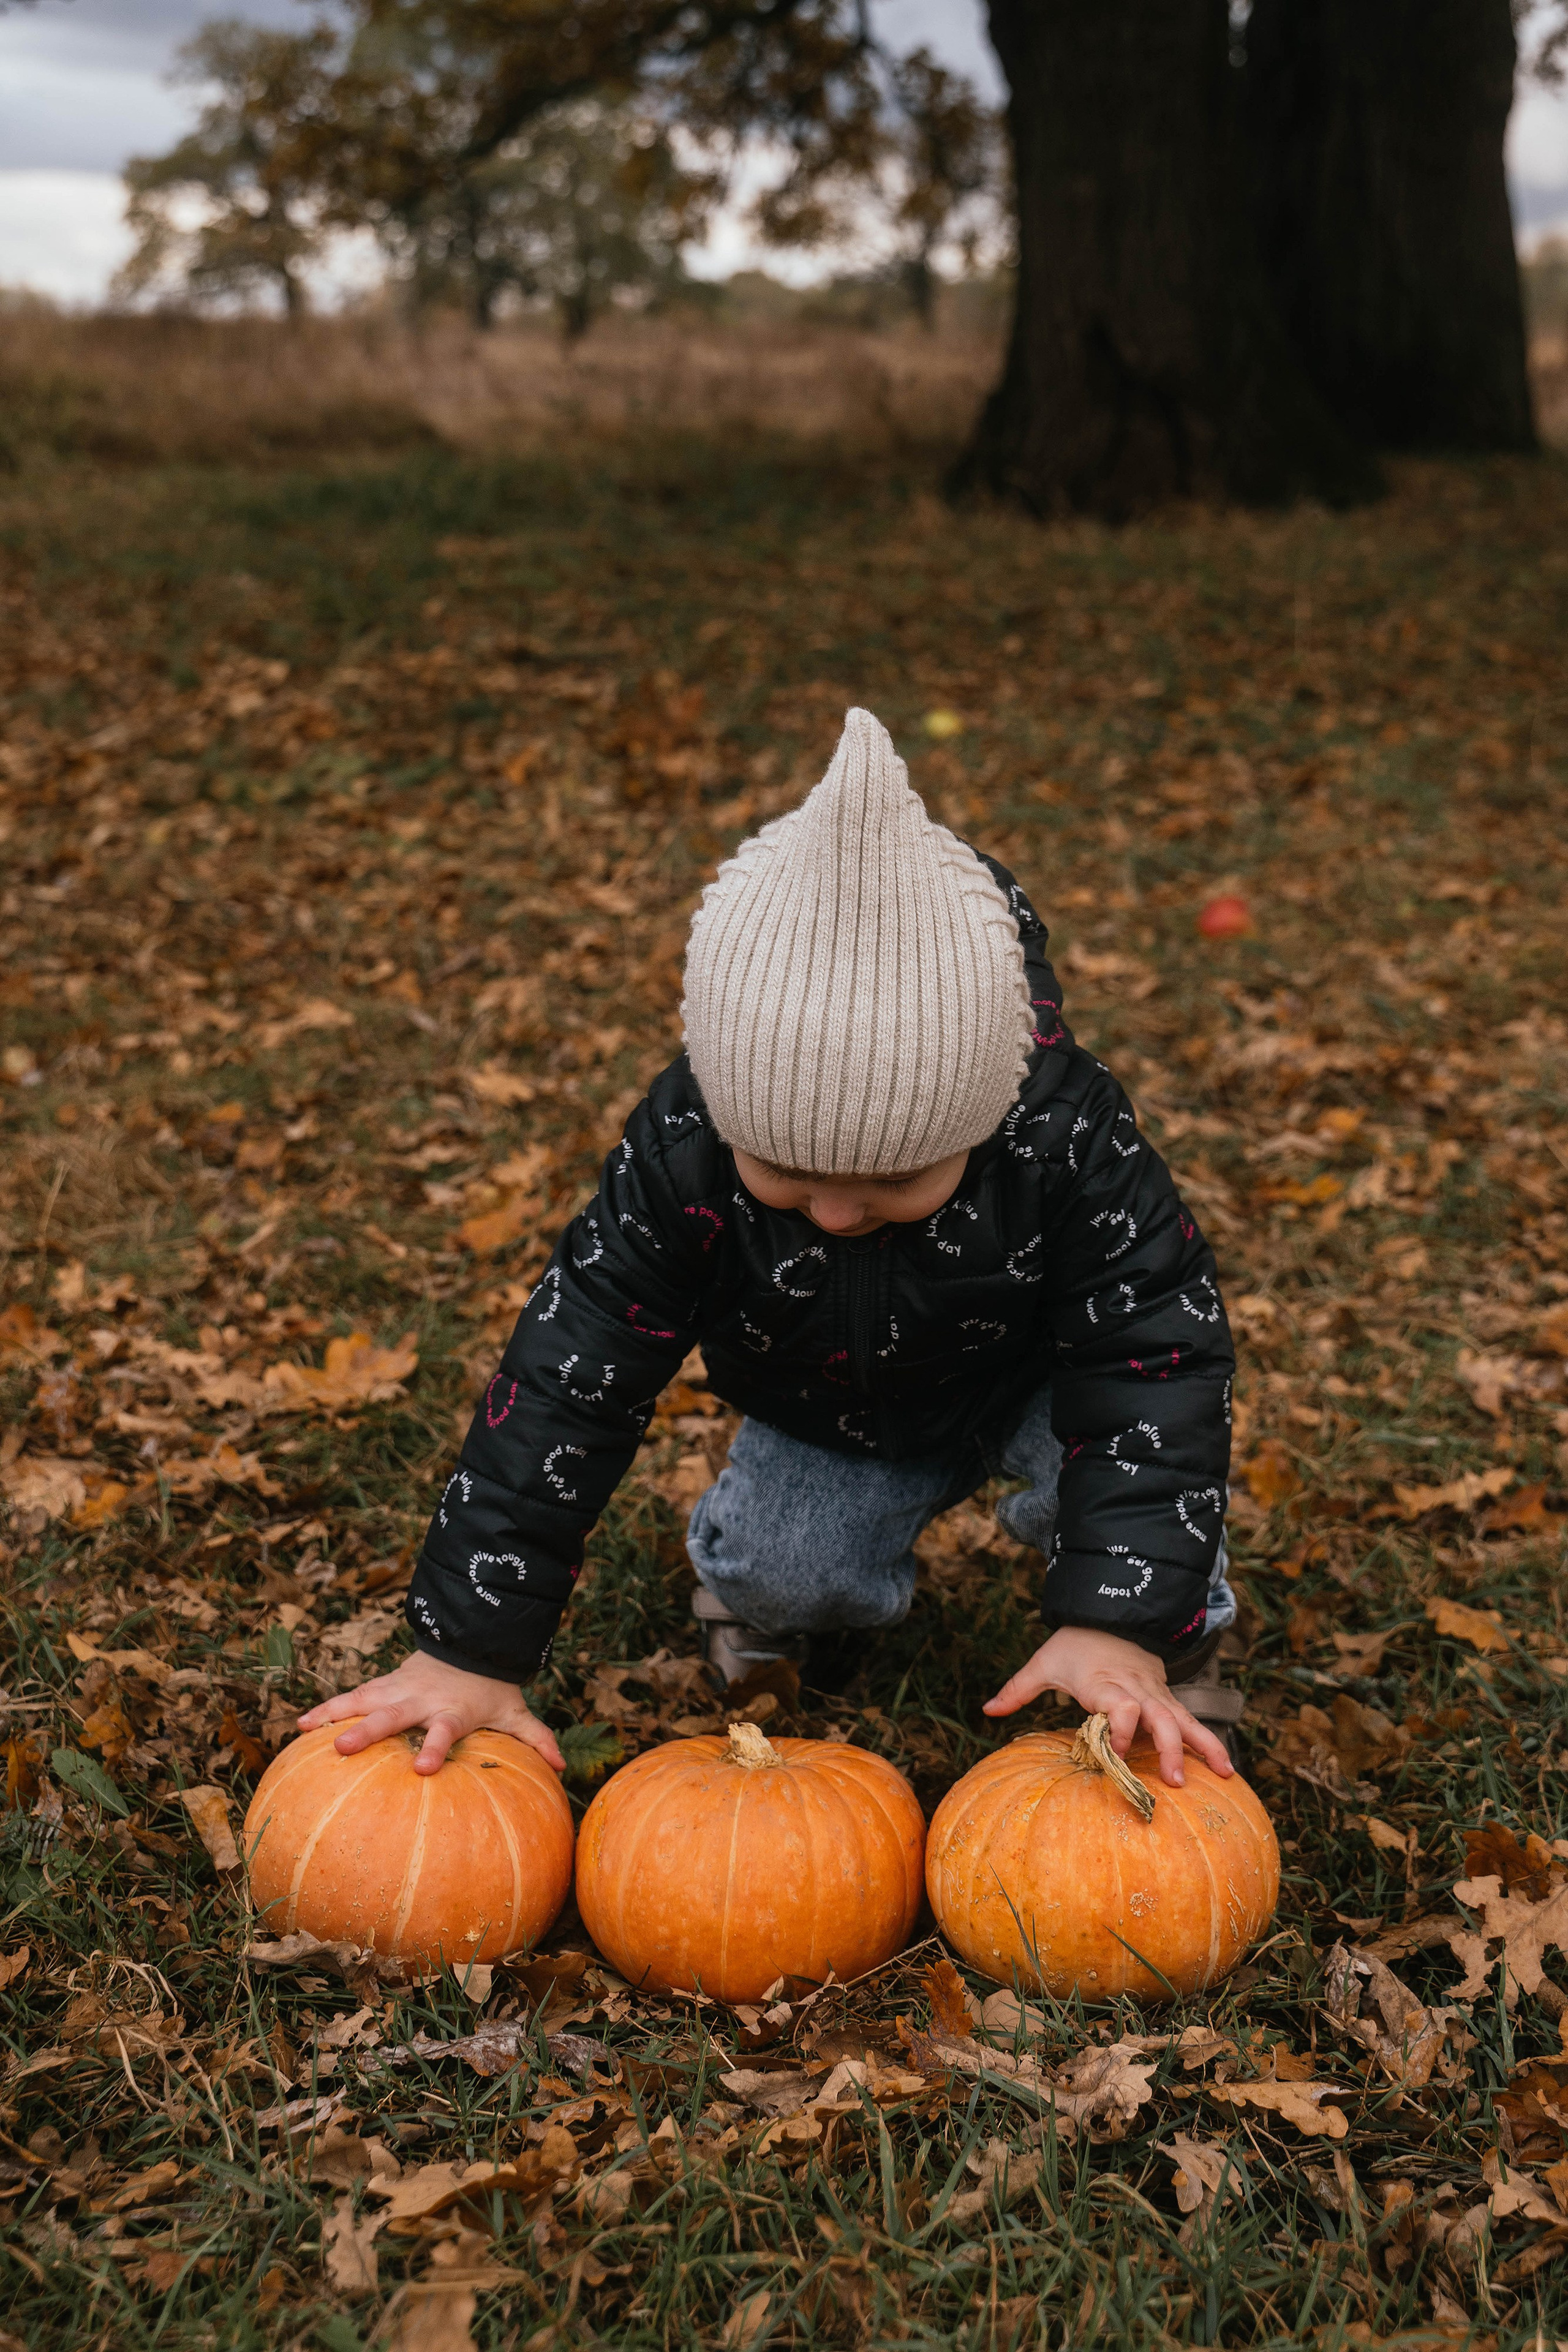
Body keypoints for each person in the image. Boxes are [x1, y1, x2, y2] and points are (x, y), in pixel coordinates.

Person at [300, 708, 1242, 1789]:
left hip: (1046, 1390)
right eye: (787, 1178)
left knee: (1134, 1494)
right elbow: (567, 1386)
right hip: (835, 1406)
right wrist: (466, 1650)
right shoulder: (684, 1152)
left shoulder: (1063, 1138)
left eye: (896, 1180)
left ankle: (1161, 1640)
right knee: (786, 1576)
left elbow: (1153, 1362)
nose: (836, 1215)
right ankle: (765, 1581)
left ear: (987, 1115)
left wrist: (1121, 1622)